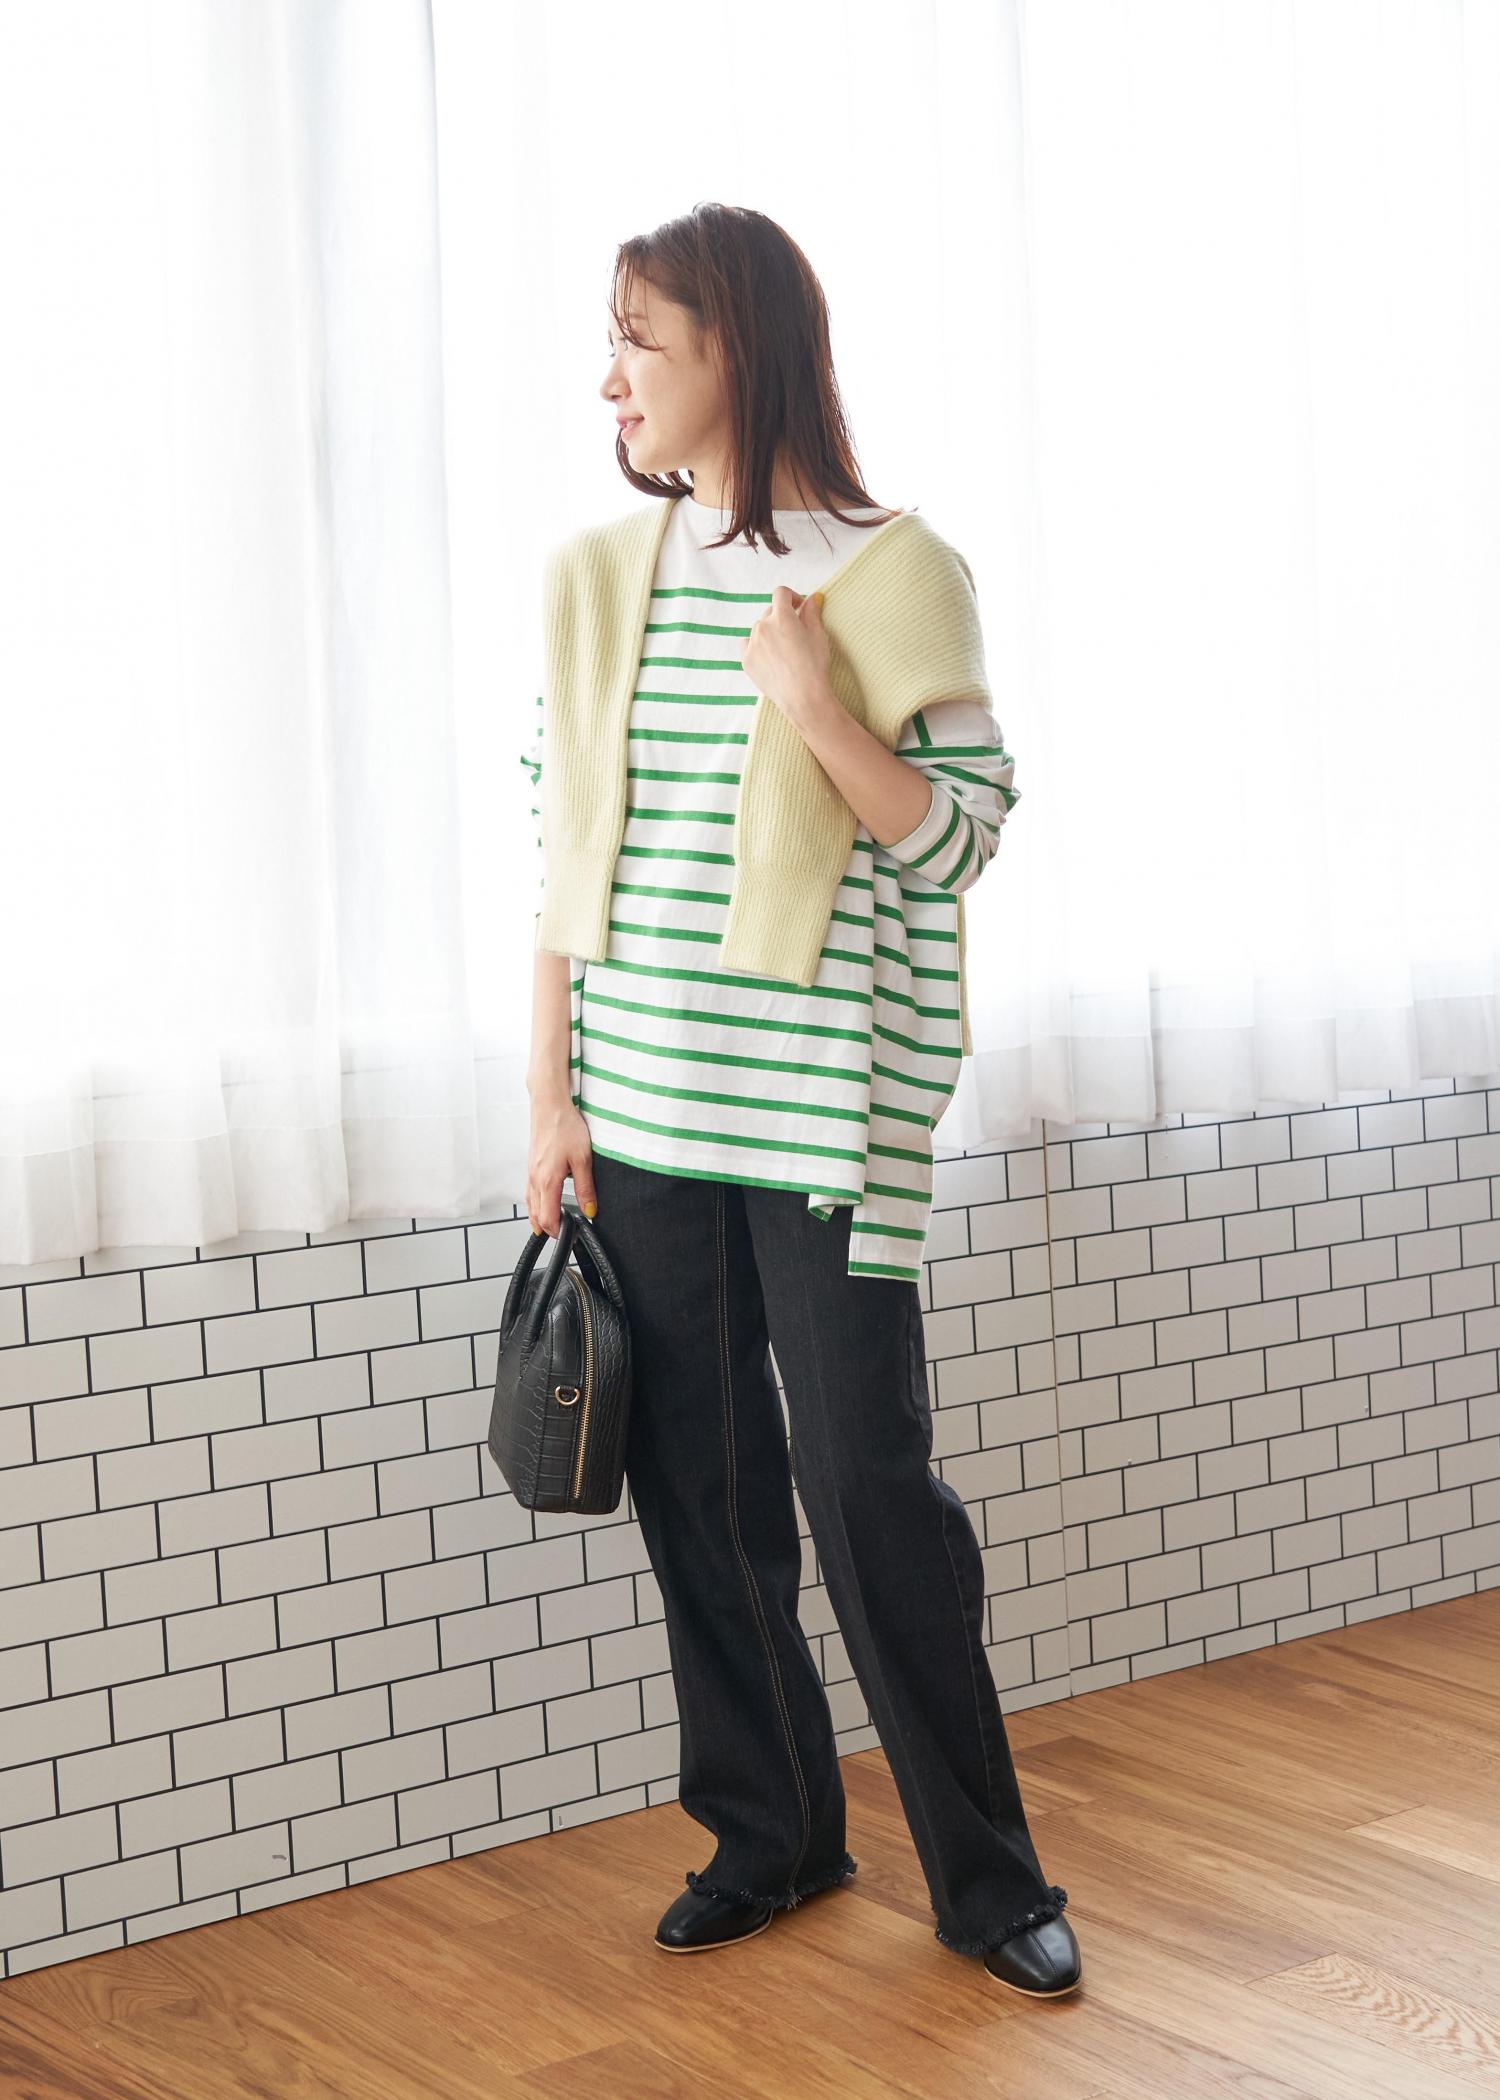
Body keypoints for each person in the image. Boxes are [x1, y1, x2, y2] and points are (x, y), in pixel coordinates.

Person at [521, 203, 1080, 1999]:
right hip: (645, 1114)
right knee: (702, 1501)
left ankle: (991, 1883)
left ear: (737, 352)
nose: (611, 378)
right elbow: (558, 864)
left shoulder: (895, 574)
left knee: (869, 1495)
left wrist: (823, 712)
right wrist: (551, 1101)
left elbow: (962, 842)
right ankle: (772, 1837)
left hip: (824, 1120)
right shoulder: (598, 578)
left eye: (641, 339)